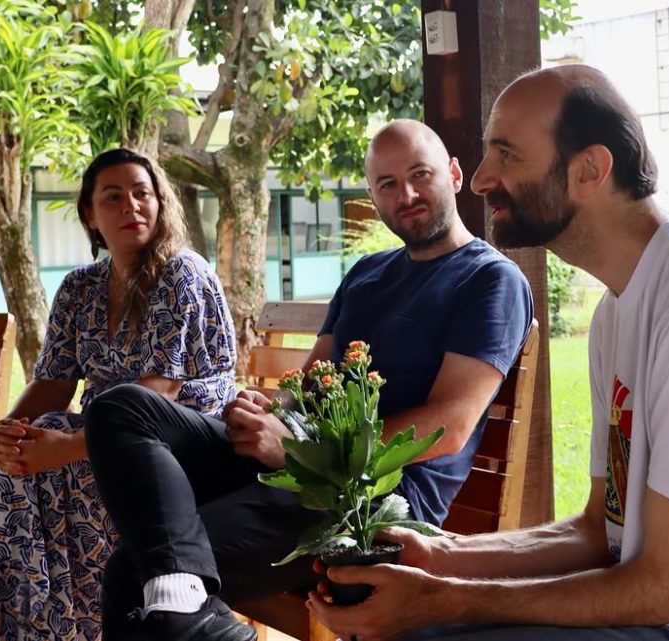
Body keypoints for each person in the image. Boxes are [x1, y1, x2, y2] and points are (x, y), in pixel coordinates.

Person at [308, 65, 669, 641]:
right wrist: (443, 556)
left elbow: (665, 589)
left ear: (589, 170)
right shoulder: (619, 309)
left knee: (426, 630)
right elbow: (601, 531)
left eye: (507, 154)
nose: (480, 179)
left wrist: (444, 599)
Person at [83, 119, 534, 641]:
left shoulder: (489, 279)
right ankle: (195, 612)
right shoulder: (367, 274)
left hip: (368, 501)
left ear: (453, 175)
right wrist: (267, 414)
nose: (406, 194)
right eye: (387, 184)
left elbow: (447, 428)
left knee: (135, 573)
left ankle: (193, 612)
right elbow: (309, 385)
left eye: (419, 174)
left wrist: (296, 450)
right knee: (120, 409)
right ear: (373, 196)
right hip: (299, 468)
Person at [0, 148, 239, 641]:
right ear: (90, 214)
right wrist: (9, 431)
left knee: (59, 457)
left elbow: (157, 394)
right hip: (107, 441)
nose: (131, 205)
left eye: (142, 193)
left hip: (188, 443)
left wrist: (62, 447)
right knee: (37, 454)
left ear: (159, 203)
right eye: (114, 196)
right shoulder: (80, 288)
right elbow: (54, 381)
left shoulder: (181, 274)